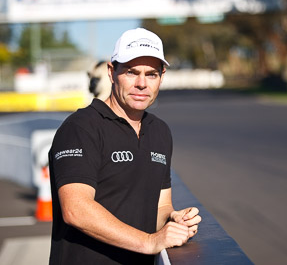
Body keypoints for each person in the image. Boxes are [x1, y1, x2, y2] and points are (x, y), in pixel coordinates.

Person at [48, 28, 201, 264]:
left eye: (151, 74)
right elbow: (76, 209)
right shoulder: (80, 128)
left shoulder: (160, 131)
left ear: (162, 76)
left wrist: (173, 219)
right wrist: (150, 242)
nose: (141, 84)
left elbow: (160, 205)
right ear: (112, 72)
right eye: (131, 72)